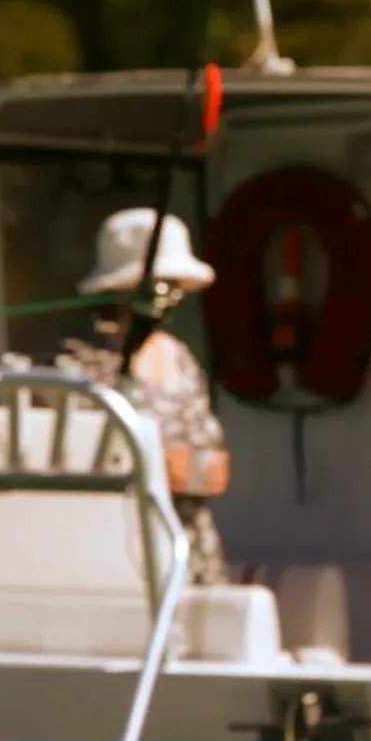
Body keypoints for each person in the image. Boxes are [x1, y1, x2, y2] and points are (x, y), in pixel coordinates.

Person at [56, 207, 232, 586]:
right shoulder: (77, 363)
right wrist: (171, 467)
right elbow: (86, 461)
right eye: (164, 284)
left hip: (190, 553)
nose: (173, 297)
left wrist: (172, 468)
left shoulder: (179, 356)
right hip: (116, 557)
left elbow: (216, 469)